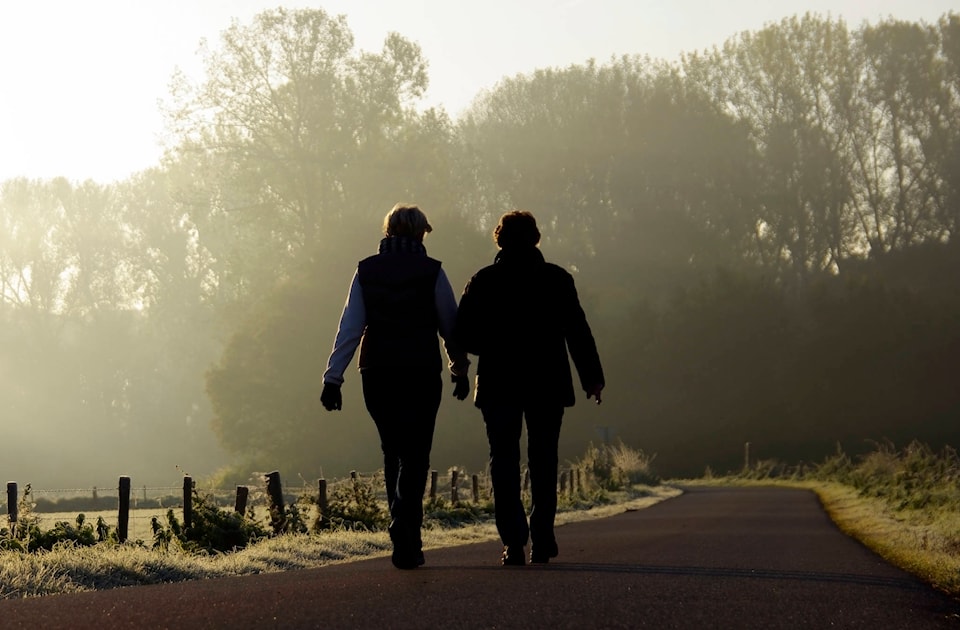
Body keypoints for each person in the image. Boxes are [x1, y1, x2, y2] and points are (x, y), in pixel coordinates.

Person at [320, 203, 470, 570]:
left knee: (393, 450)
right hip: (420, 368)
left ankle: (403, 529)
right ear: (421, 233)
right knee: (416, 453)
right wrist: (459, 368)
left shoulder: (366, 271)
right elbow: (450, 325)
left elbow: (350, 328)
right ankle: (406, 527)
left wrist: (332, 378)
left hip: (377, 369)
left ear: (387, 232)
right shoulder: (432, 271)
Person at [455, 210, 604, 566]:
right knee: (544, 460)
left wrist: (492, 344)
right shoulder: (557, 279)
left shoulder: (484, 280)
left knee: (503, 461)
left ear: (499, 240)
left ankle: (513, 542)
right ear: (536, 238)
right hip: (547, 382)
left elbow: (463, 333)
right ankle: (542, 536)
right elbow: (577, 332)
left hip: (498, 383)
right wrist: (592, 377)